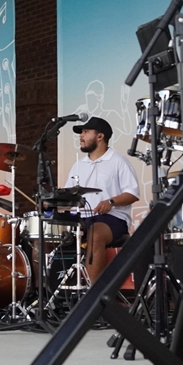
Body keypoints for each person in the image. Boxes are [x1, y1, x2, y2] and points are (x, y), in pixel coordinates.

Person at [65, 117, 140, 285]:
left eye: (85, 132)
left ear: (100, 136)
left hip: (114, 219)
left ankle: (92, 293)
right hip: (81, 218)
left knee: (95, 234)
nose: (81, 136)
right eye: (81, 132)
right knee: (44, 233)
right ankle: (43, 291)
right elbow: (68, 195)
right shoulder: (78, 165)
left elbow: (133, 193)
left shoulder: (118, 161)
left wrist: (111, 202)